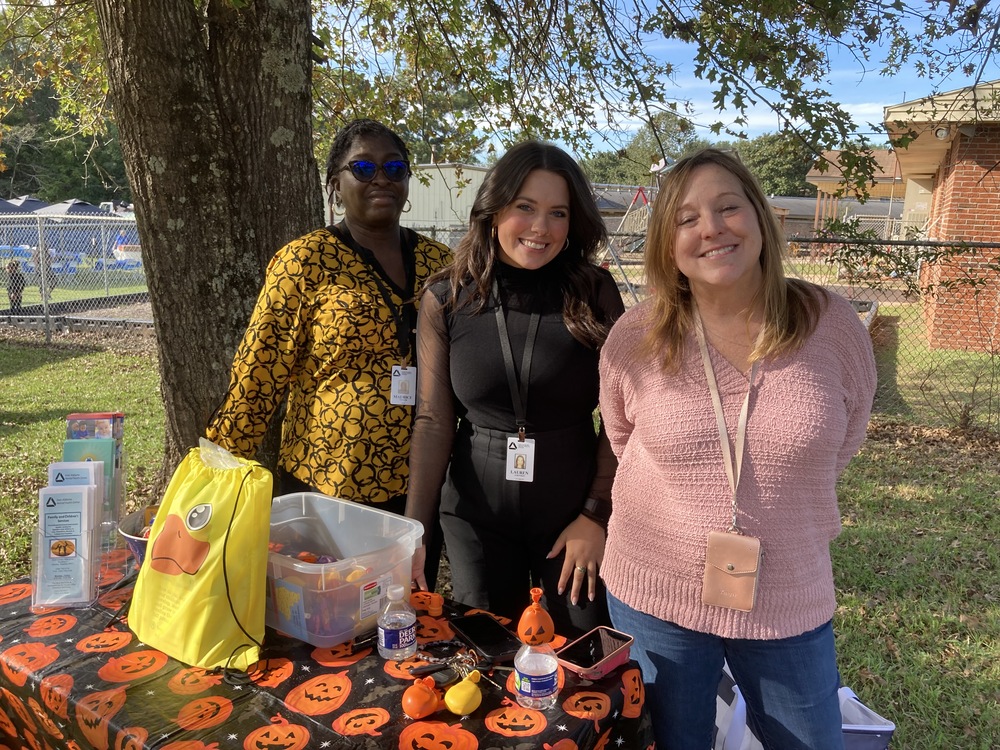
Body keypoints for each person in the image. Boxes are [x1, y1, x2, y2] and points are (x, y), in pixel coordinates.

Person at [598, 148, 877, 749]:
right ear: (666, 243)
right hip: (657, 589)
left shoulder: (830, 324)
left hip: (788, 593)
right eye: (687, 218)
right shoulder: (635, 337)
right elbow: (624, 440)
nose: (712, 228)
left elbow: (844, 437)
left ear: (761, 216)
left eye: (729, 207)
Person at [206, 119, 452, 586]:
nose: (381, 178)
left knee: (403, 611)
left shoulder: (441, 264)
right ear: (335, 185)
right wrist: (216, 470)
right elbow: (260, 373)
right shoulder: (304, 261)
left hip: (418, 485)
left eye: (394, 167)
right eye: (363, 167)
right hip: (330, 484)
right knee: (326, 617)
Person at [405, 141, 625, 636]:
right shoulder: (446, 297)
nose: (540, 228)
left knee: (580, 649)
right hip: (475, 513)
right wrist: (413, 533)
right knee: (490, 650)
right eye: (524, 207)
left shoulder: (593, 292)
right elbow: (434, 420)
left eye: (557, 213)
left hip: (571, 505)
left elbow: (624, 415)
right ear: (493, 209)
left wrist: (597, 515)